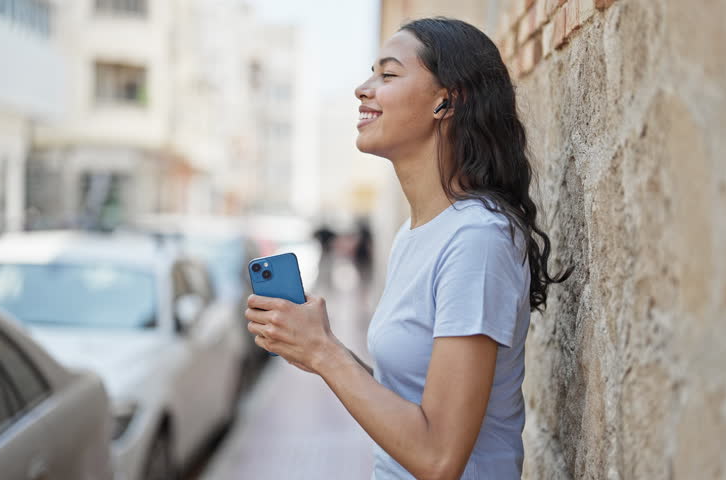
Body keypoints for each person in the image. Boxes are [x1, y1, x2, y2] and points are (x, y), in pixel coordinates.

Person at [245, 17, 572, 480]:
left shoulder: (477, 240)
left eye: (388, 74)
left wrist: (324, 353)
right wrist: (320, 347)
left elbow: (440, 458)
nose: (363, 88)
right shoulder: (415, 232)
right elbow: (408, 399)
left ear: (446, 100)